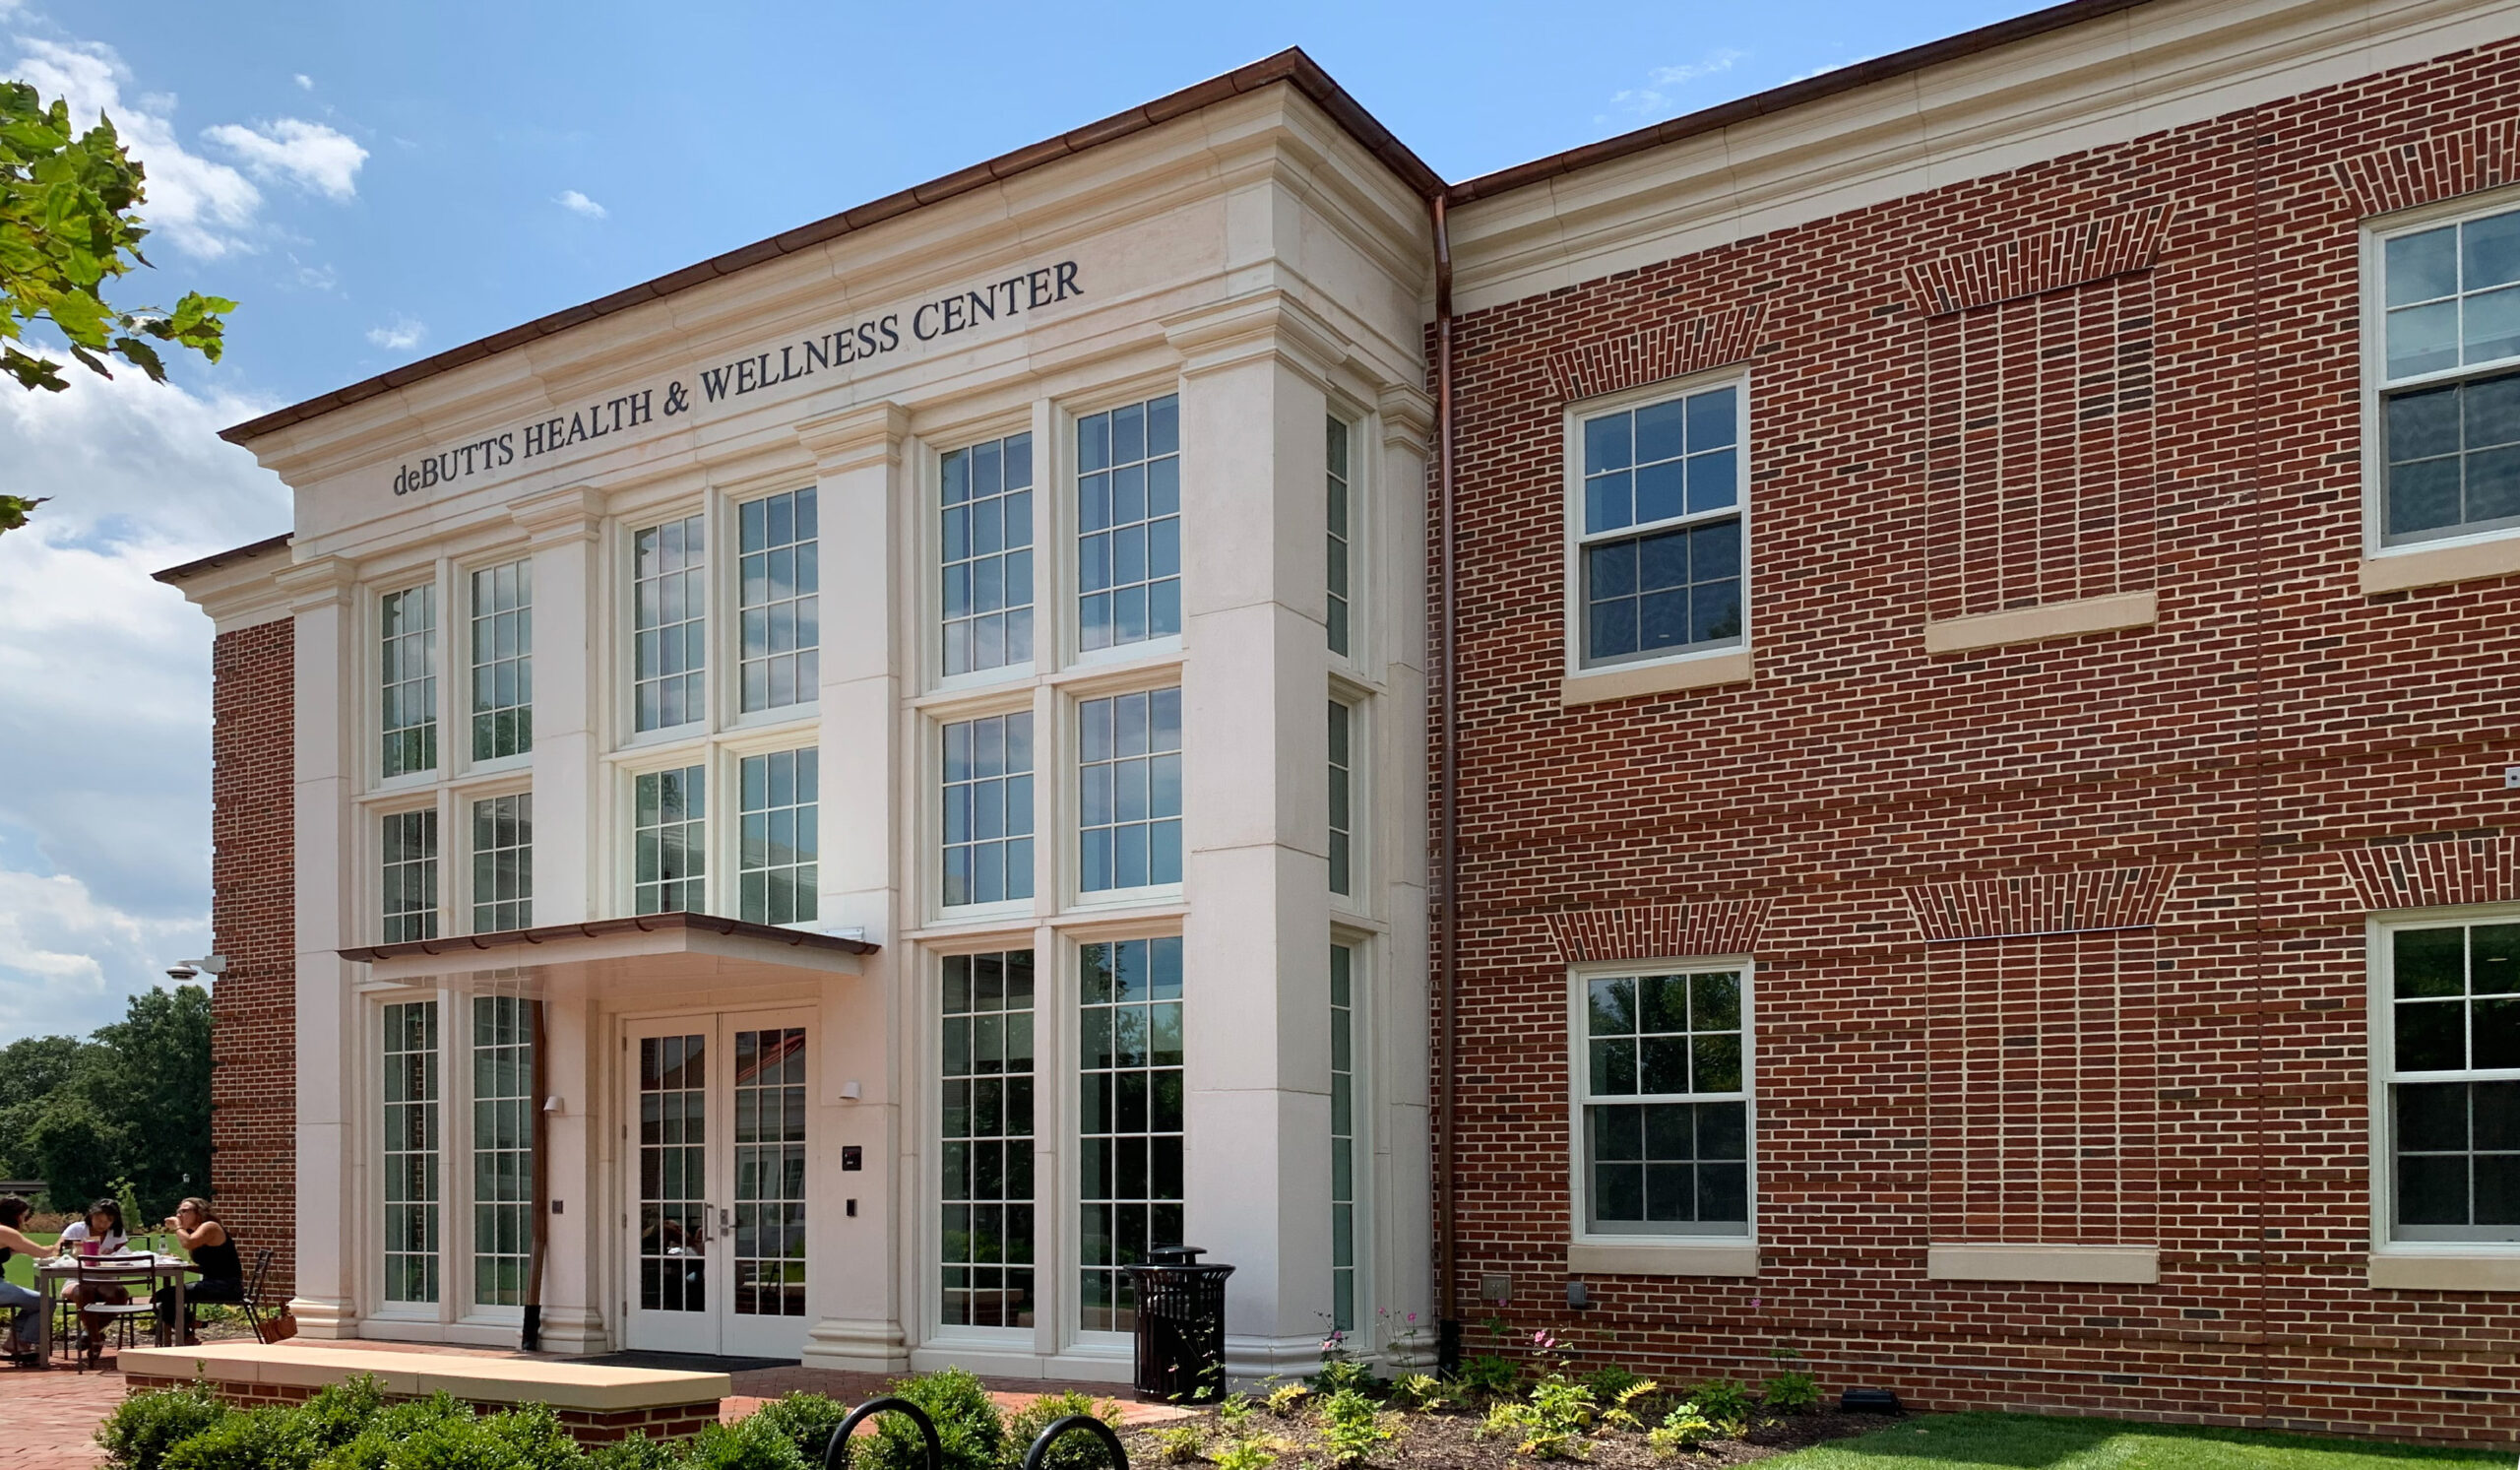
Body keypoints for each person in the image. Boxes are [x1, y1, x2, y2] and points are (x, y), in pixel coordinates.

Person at [153, 1198, 241, 1345]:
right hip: (212, 1283)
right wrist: (183, 1265)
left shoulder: (211, 1227)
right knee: (162, 1297)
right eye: (178, 1212)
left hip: (227, 1286)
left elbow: (188, 1242)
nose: (179, 1215)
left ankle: (188, 1325)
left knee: (164, 1296)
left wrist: (177, 1227)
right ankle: (189, 1332)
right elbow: (211, 1265)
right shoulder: (196, 1231)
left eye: (184, 1211)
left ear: (199, 1212)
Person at [57, 1197, 134, 1364]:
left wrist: (115, 1257)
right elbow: (59, 1250)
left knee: (120, 1295)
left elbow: (125, 1255)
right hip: (78, 1277)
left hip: (106, 1278)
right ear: (91, 1216)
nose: (103, 1224)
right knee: (85, 1291)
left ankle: (90, 1334)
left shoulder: (117, 1233)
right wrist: (75, 1248)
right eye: (99, 1219)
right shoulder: (77, 1229)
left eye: (109, 1221)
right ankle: (95, 1339)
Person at [0, 1195, 46, 1364]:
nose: (25, 1221)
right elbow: (43, 1252)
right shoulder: (5, 1232)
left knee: (34, 1302)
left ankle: (16, 1342)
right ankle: (21, 1343)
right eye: (24, 1216)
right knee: (44, 1303)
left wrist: (16, 1250)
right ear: (16, 1215)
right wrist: (64, 1245)